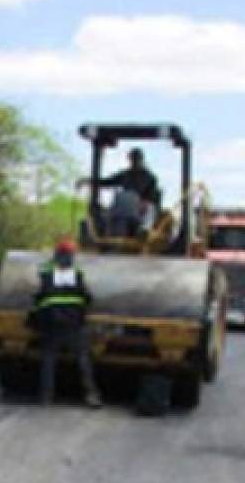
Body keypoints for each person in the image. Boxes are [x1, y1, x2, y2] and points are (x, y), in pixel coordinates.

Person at [30, 237, 101, 408]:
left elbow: (40, 296)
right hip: (73, 323)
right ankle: (90, 395)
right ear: (71, 255)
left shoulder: (46, 272)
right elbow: (86, 296)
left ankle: (46, 397)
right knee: (82, 359)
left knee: (48, 360)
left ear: (56, 254)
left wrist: (38, 314)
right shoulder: (77, 273)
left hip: (52, 323)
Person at [100, 148, 161, 238]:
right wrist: (89, 181)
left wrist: (145, 201)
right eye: (132, 158)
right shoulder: (124, 175)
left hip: (142, 206)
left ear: (141, 160)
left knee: (150, 208)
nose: (134, 161)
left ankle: (144, 230)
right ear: (129, 159)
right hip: (126, 206)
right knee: (107, 213)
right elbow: (108, 181)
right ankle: (107, 230)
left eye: (136, 159)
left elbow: (152, 194)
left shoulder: (150, 177)